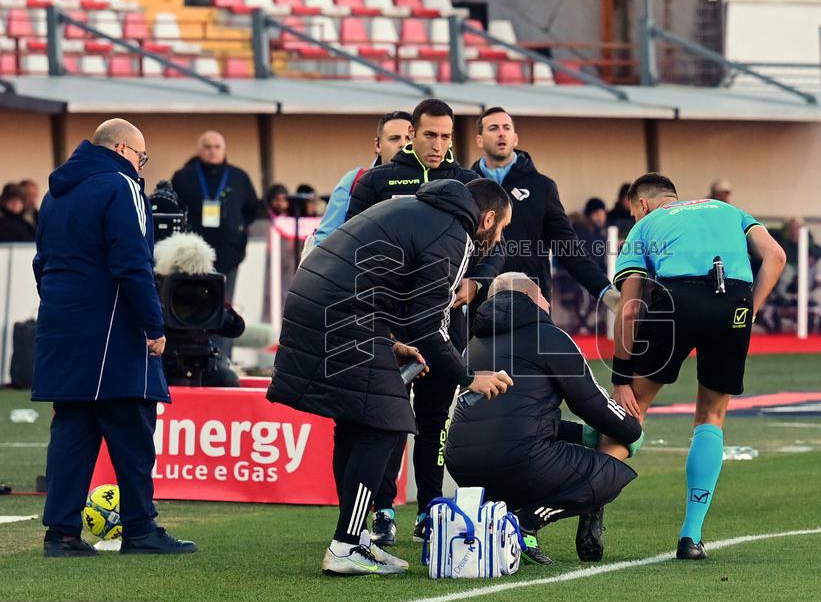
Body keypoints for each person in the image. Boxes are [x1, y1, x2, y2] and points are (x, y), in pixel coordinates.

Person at [267, 178, 514, 576]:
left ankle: (353, 538)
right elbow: (428, 322)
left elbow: (385, 285)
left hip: (315, 302)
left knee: (356, 421)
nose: (499, 239)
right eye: (501, 229)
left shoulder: (421, 210)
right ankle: (346, 545)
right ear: (487, 219)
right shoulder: (456, 233)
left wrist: (389, 342)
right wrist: (470, 377)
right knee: (385, 423)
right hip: (343, 314)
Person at [32, 118, 196, 557]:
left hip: (60, 324)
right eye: (141, 158)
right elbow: (132, 263)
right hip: (112, 328)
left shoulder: (54, 193)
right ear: (125, 150)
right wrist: (154, 325)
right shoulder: (122, 186)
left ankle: (61, 534)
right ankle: (140, 528)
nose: (142, 167)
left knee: (72, 428)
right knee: (132, 426)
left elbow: (40, 263)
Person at [347, 99, 502, 546]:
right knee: (388, 419)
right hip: (389, 324)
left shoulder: (470, 183)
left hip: (443, 325)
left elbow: (496, 247)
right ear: (411, 132)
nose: (438, 145)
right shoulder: (377, 181)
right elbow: (352, 241)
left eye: (446, 136)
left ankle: (431, 509)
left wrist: (476, 284)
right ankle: (381, 510)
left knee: (434, 418)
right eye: (430, 134)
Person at [610, 173, 785, 560]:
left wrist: (621, 377)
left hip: (678, 300)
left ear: (640, 205)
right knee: (712, 414)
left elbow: (629, 309)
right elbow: (776, 256)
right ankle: (691, 536)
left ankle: (591, 506)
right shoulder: (727, 209)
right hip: (734, 299)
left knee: (629, 409)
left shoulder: (644, 226)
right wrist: (749, 310)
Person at [445, 272, 642, 565]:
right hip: (521, 462)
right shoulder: (548, 337)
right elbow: (593, 404)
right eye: (543, 295)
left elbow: (512, 420)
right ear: (528, 298)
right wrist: (632, 429)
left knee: (525, 452)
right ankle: (527, 521)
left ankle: (509, 524)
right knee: (608, 473)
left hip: (463, 466)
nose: (548, 302)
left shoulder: (472, 344)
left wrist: (582, 435)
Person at [470, 107, 620, 312]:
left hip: (531, 300)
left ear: (515, 138)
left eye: (507, 128)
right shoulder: (466, 186)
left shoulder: (542, 187)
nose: (501, 133)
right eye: (493, 128)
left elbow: (566, 246)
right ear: (479, 140)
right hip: (478, 302)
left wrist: (604, 289)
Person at [170, 130, 260, 304]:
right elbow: (174, 208)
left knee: (224, 304)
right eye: (207, 147)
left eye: (217, 147)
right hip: (193, 252)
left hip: (229, 251)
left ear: (224, 150)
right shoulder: (183, 177)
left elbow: (252, 209)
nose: (212, 151)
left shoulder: (238, 177)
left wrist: (237, 228)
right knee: (195, 302)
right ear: (199, 150)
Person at [313, 110, 412, 245]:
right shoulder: (354, 180)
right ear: (378, 145)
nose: (403, 144)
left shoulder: (431, 181)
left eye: (409, 138)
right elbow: (325, 239)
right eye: (394, 138)